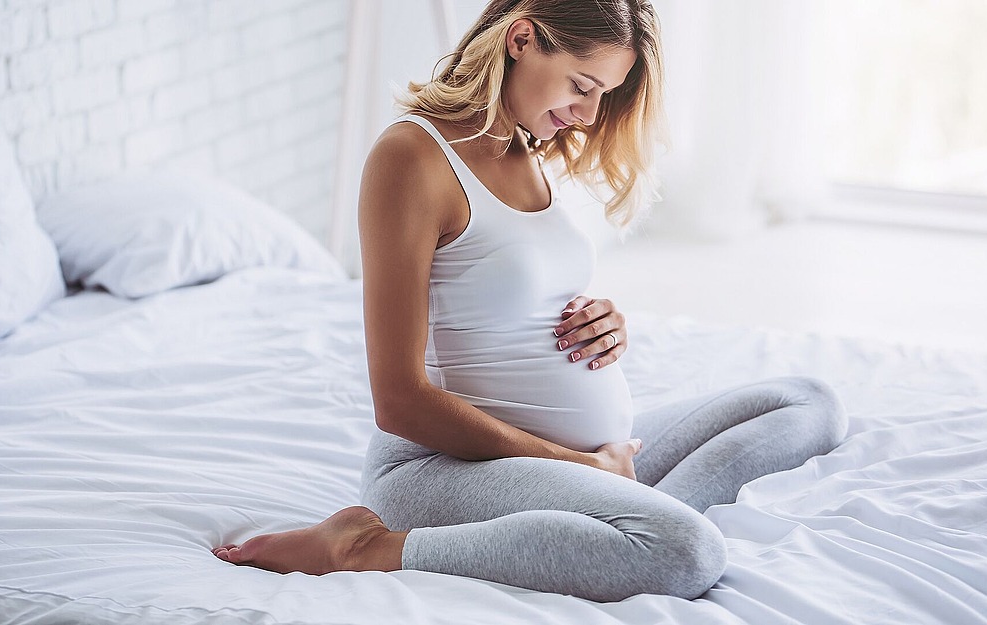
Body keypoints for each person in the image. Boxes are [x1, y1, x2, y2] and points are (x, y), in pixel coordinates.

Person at [213, 0, 847, 602]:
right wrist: (575, 463)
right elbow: (398, 401)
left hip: (574, 458)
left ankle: (615, 512)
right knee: (686, 552)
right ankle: (366, 547)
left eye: (602, 94)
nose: (589, 115)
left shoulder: (523, 145)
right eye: (582, 85)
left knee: (808, 403)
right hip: (440, 469)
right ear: (521, 41)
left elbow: (508, 292)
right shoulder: (411, 158)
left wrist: (605, 322)